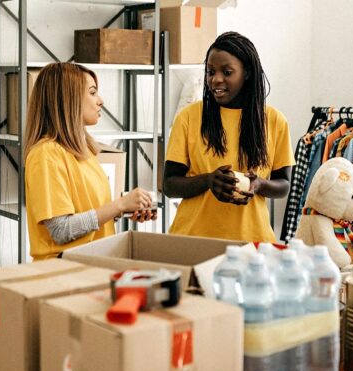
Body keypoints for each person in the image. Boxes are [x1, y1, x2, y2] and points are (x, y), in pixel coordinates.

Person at [163, 32, 295, 243]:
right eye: (210, 72)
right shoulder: (188, 118)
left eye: (227, 72)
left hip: (252, 244)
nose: (216, 79)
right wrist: (208, 180)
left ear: (247, 73)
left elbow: (284, 185)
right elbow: (170, 185)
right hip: (193, 241)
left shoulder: (274, 121)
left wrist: (259, 184)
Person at [24, 62, 155, 260]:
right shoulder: (46, 154)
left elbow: (89, 211)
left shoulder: (83, 151)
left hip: (92, 262)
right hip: (63, 272)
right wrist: (119, 205)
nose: (100, 100)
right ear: (68, 99)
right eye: (92, 92)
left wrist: (126, 209)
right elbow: (61, 230)